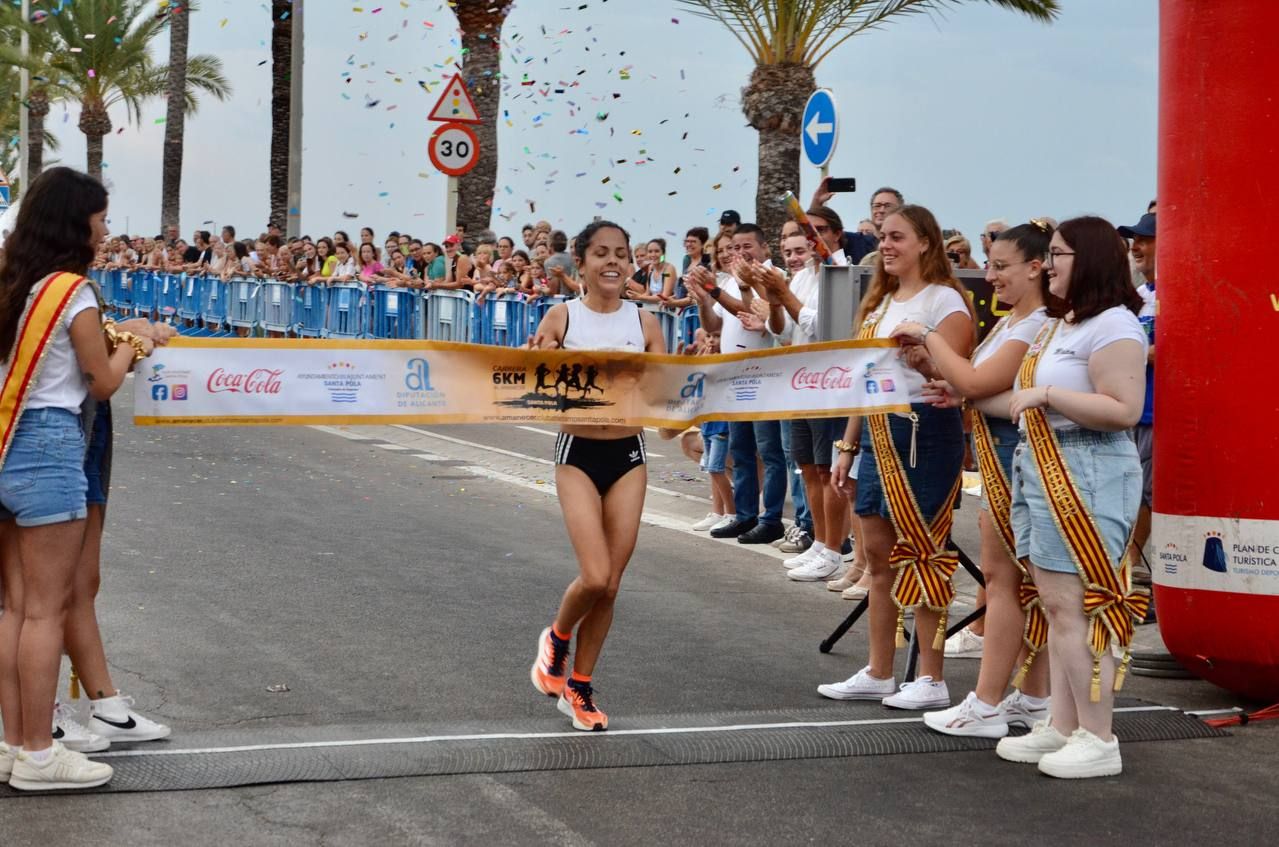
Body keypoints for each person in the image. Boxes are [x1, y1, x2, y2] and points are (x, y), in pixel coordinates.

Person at [0, 167, 156, 791]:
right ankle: (41, 754)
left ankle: (13, 743)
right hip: (48, 447)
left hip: (5, 440)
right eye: (100, 219)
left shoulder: (12, 282)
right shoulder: (72, 292)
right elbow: (103, 379)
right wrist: (139, 342)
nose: (105, 229)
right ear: (77, 222)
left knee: (11, 608)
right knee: (45, 612)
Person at [994, 216, 1147, 779]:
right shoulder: (1063, 323)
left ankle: (1097, 736)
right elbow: (1021, 399)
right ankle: (1064, 724)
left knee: (1078, 606)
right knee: (1056, 604)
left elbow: (1123, 410)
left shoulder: (1114, 326)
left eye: (1058, 253)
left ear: (1091, 260)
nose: (1048, 263)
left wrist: (1049, 393)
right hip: (1042, 460)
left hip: (1086, 467)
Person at [892, 221, 1056, 737]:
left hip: (1016, 458)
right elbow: (976, 387)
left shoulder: (1035, 324)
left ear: (1036, 268)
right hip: (999, 452)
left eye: (1001, 267)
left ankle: (987, 703)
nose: (991, 276)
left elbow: (979, 380)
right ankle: (1031, 696)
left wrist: (930, 339)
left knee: (1008, 580)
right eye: (990, 265)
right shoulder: (1013, 323)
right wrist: (950, 383)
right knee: (1015, 580)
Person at [822, 204, 975, 710]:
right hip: (879, 429)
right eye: (883, 237)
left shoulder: (945, 302)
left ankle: (931, 677)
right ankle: (879, 670)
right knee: (880, 561)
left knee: (924, 555)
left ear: (925, 243)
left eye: (897, 237)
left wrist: (926, 358)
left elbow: (958, 381)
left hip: (924, 431)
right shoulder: (880, 302)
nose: (886, 245)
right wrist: (849, 444)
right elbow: (866, 379)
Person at [527, 220, 667, 732]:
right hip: (578, 454)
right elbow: (532, 387)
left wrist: (690, 423)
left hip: (629, 455)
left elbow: (664, 405)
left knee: (611, 588)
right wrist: (537, 362)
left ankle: (579, 688)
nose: (613, 262)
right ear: (580, 263)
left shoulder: (647, 324)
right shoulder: (562, 318)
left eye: (621, 254)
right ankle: (557, 638)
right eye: (602, 253)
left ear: (632, 263)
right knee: (596, 575)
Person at [689, 225, 786, 545]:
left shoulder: (773, 277)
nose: (740, 253)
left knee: (770, 453)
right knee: (741, 451)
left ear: (765, 249)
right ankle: (745, 516)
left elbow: (753, 312)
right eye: (735, 247)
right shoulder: (731, 279)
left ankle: (771, 518)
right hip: (735, 378)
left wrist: (717, 291)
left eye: (748, 246)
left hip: (765, 378)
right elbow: (714, 325)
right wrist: (704, 300)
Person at [1117, 211, 1157, 602]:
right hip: (1132, 410)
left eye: (1145, 239)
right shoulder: (1139, 295)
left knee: (1150, 493)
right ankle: (1131, 565)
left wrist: (1129, 351)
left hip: (1160, 413)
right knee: (1137, 491)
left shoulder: (1176, 290)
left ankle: (1134, 565)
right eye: (1134, 240)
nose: (1136, 247)